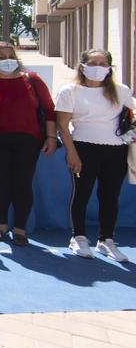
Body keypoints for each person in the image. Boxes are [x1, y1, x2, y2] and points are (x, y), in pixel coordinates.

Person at [0, 42, 58, 247]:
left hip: (29, 140)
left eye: (10, 55)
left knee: (23, 184)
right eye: (0, 57)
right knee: (0, 183)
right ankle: (2, 225)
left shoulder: (32, 80)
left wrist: (51, 138)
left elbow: (50, 111)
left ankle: (20, 229)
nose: (7, 60)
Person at [55, 49, 136, 261]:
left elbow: (131, 118)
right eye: (93, 63)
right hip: (83, 147)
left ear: (110, 67)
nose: (98, 67)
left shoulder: (122, 90)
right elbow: (63, 126)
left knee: (110, 196)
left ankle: (106, 240)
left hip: (116, 149)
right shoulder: (70, 91)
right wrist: (71, 153)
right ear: (82, 66)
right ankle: (78, 237)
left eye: (103, 63)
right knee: (82, 193)